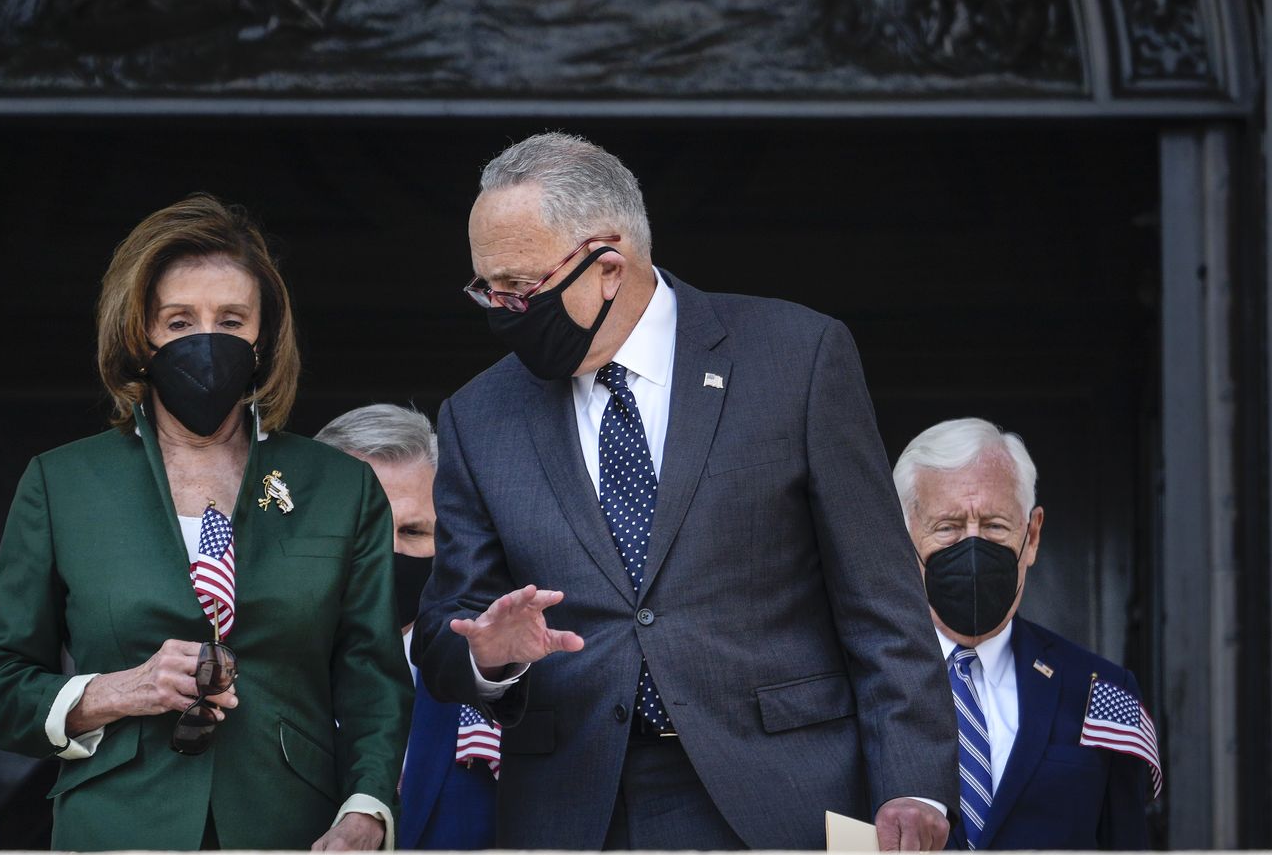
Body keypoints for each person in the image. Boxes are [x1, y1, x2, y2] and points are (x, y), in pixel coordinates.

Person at [412, 132, 955, 850]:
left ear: (607, 267)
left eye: (520, 289)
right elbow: (445, 627)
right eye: (488, 288)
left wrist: (913, 786)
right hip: (576, 811)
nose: (501, 311)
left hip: (779, 797)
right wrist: (489, 652)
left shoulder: (797, 358)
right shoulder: (479, 415)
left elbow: (882, 604)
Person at [0, 195, 410, 851]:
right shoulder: (61, 484)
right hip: (117, 828)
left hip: (292, 827)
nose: (206, 341)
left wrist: (366, 809)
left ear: (263, 338)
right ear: (139, 335)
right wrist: (121, 690)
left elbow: (373, 675)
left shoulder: (338, 487)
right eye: (179, 322)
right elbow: (2, 690)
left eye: (231, 320)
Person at [894, 419, 1155, 849]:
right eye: (947, 528)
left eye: (995, 526)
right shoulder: (854, 686)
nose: (972, 548)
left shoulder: (1102, 691)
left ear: (1031, 536)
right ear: (903, 540)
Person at [316, 405, 497, 851]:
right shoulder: (259, 672)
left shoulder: (487, 676)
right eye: (365, 530)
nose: (388, 553)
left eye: (413, 532)